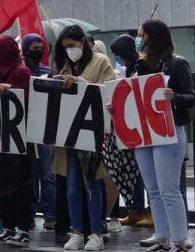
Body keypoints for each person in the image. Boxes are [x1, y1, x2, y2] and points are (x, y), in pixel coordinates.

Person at [50, 26, 116, 251]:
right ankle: (76, 231)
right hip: (69, 134)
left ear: (82, 42)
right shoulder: (64, 65)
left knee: (91, 184)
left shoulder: (100, 62)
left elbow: (110, 91)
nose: (69, 50)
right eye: (65, 47)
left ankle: (95, 233)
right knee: (71, 185)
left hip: (90, 133)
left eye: (72, 45)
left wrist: (82, 83)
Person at [133, 19, 194, 251]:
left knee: (168, 188)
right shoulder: (141, 64)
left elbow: (191, 97)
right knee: (154, 188)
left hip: (168, 131)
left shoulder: (177, 63)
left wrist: (173, 96)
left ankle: (180, 237)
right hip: (144, 130)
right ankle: (163, 236)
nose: (139, 39)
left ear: (152, 37)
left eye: (142, 35)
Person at [0, 35, 35, 248]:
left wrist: (11, 89)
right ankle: (9, 226)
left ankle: (22, 227)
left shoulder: (21, 72)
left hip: (20, 139)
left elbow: (30, 98)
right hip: (3, 139)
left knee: (19, 184)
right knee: (3, 184)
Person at [108, 34, 151, 229]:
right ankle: (135, 209)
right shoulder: (128, 68)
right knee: (134, 170)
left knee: (145, 172)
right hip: (131, 124)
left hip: (142, 125)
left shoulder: (141, 66)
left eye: (118, 53)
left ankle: (149, 212)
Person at [21, 33, 56, 230]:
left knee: (48, 174)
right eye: (34, 48)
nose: (39, 51)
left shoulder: (47, 71)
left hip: (45, 129)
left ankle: (50, 215)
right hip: (26, 129)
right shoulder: (21, 71)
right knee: (30, 175)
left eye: (41, 47)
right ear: (26, 49)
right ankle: (31, 213)